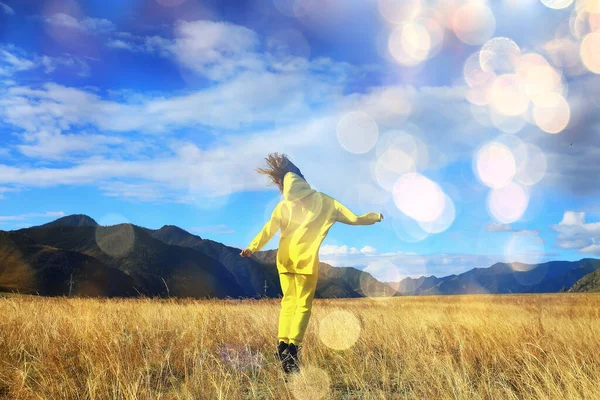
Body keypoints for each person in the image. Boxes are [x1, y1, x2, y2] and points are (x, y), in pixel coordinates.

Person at [239, 152, 383, 374]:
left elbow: (268, 230)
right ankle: (293, 350)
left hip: (285, 260)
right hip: (306, 261)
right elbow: (353, 219)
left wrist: (252, 247)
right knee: (303, 305)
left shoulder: (283, 207)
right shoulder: (325, 201)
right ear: (302, 180)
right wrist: (373, 216)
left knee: (288, 303)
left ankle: (281, 346)